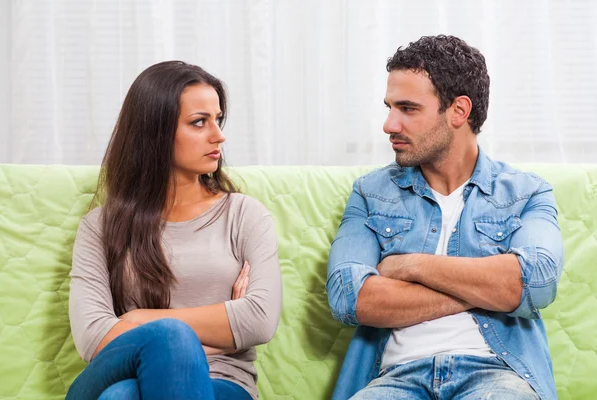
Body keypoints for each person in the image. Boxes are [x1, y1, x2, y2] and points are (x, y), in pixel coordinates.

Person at [327, 35, 563, 400]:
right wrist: (490, 288)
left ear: (458, 111)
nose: (390, 124)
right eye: (389, 107)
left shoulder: (526, 193)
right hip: (395, 378)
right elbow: (350, 298)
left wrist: (411, 266)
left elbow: (536, 284)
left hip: (497, 376)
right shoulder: (371, 193)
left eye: (408, 108)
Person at [67, 61, 282, 400]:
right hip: (113, 373)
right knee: (164, 344)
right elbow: (93, 337)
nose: (218, 135)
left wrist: (139, 318)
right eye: (199, 122)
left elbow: (259, 319)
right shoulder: (100, 227)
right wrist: (217, 330)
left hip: (223, 385)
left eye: (218, 119)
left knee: (121, 396)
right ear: (155, 132)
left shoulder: (245, 216)